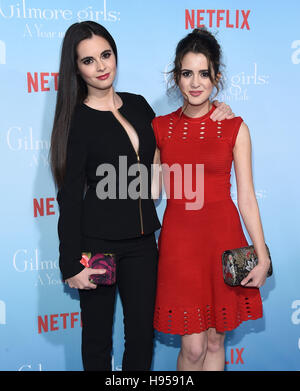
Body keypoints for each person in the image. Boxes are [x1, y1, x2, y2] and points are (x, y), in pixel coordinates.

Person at [50, 21, 233, 371]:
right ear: (75, 68)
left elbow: (181, 131)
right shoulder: (77, 120)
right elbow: (70, 196)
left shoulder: (138, 106)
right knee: (98, 338)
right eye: (89, 61)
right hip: (98, 246)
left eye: (106, 55)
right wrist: (70, 261)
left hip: (142, 245)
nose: (101, 66)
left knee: (140, 338)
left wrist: (218, 111)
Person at [152, 28, 271, 371]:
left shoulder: (234, 127)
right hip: (180, 246)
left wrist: (261, 256)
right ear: (176, 78)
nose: (195, 83)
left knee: (217, 339)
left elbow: (246, 196)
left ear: (217, 77)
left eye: (204, 73)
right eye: (187, 73)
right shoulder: (160, 127)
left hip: (222, 241)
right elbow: (152, 190)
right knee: (192, 349)